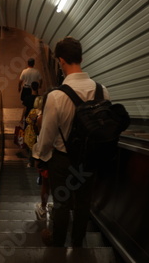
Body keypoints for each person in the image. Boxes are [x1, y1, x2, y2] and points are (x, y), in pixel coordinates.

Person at [32, 37, 110, 247]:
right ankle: (77, 242)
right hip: (90, 159)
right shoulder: (103, 91)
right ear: (81, 58)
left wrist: (40, 157)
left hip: (63, 160)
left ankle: (57, 242)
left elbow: (47, 135)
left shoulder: (56, 96)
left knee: (62, 204)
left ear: (61, 61)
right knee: (84, 202)